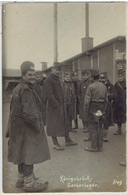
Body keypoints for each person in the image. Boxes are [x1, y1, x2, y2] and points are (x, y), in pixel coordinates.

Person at [6, 61, 50, 192]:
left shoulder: (17, 88)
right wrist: (37, 127)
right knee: (29, 154)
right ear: (23, 75)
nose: (33, 77)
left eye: (34, 74)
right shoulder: (26, 90)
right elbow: (29, 113)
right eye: (29, 74)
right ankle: (29, 183)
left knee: (21, 152)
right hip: (27, 128)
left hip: (18, 128)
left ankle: (21, 179)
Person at [45, 62, 77, 150]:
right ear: (52, 70)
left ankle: (68, 140)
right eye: (55, 70)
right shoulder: (49, 79)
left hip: (61, 106)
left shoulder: (57, 79)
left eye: (58, 70)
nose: (57, 72)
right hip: (53, 107)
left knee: (65, 123)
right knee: (53, 125)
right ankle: (55, 143)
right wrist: (55, 104)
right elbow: (49, 94)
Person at [84, 69, 108, 152]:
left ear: (92, 77)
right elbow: (106, 100)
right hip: (101, 108)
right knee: (100, 127)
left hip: (93, 107)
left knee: (93, 127)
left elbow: (87, 102)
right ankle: (100, 146)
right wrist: (104, 110)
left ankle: (93, 147)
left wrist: (86, 112)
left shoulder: (90, 87)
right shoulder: (103, 86)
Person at [99, 72, 116, 142]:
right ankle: (98, 135)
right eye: (101, 78)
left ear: (106, 78)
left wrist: (108, 96)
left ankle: (105, 136)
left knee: (106, 121)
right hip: (99, 105)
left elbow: (114, 95)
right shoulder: (98, 85)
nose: (102, 80)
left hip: (107, 105)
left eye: (104, 78)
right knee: (99, 120)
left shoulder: (111, 86)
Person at [62, 72, 77, 145]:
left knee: (71, 115)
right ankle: (67, 128)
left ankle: (70, 127)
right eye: (66, 77)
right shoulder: (63, 85)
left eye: (69, 77)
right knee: (66, 117)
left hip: (71, 102)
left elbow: (73, 92)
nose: (68, 79)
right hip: (65, 103)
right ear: (64, 78)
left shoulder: (72, 84)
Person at [78, 69, 91, 134]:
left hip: (90, 101)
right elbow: (78, 93)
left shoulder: (91, 82)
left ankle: (89, 126)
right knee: (83, 114)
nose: (85, 77)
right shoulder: (80, 83)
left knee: (89, 113)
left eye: (86, 75)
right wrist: (80, 100)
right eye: (84, 75)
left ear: (88, 75)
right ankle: (85, 126)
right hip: (83, 101)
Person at [113, 69, 126, 135]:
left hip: (125, 102)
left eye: (121, 76)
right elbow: (115, 94)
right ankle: (119, 129)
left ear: (124, 76)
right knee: (119, 117)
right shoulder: (116, 84)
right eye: (119, 76)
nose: (120, 77)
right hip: (118, 103)